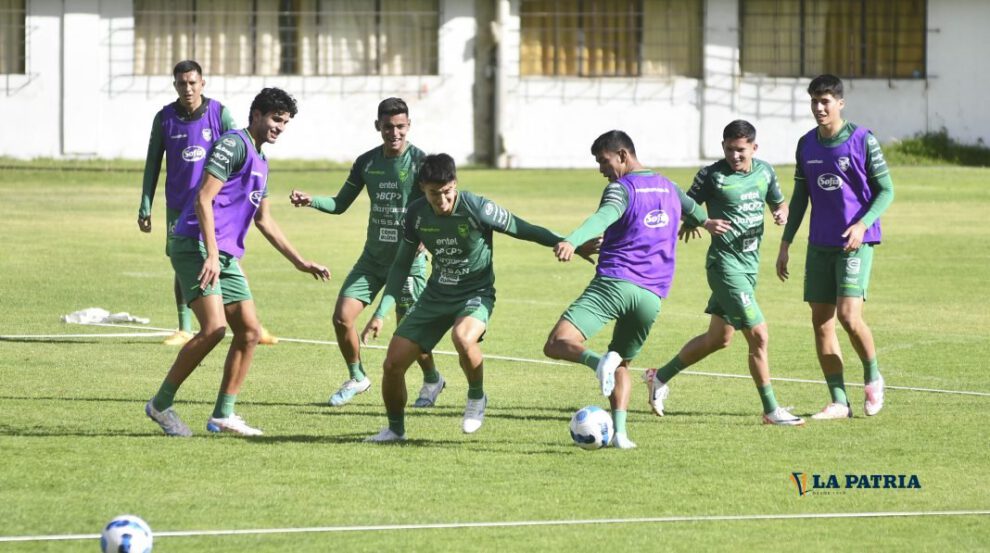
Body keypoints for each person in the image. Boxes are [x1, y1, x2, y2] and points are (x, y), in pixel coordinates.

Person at [145, 87, 331, 437]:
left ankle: (222, 415)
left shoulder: (262, 159)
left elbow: (265, 221)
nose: (280, 127)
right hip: (194, 245)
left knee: (249, 332)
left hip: (224, 255)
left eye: (286, 122)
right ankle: (160, 404)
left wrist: (300, 262)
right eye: (276, 119)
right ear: (257, 115)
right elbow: (203, 199)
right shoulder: (233, 145)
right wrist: (212, 254)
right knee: (214, 328)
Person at [364, 153, 563, 442]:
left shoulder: (477, 207)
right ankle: (395, 430)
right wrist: (381, 312)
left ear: (455, 184)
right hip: (435, 296)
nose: (442, 201)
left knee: (463, 337)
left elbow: (524, 228)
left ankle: (476, 398)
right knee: (392, 365)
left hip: (475, 293)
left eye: (446, 193)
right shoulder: (416, 214)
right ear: (422, 188)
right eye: (434, 194)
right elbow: (400, 265)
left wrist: (566, 241)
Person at [543, 130, 710, 449]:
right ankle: (620, 434)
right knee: (622, 363)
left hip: (614, 284)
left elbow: (603, 217)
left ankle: (595, 362)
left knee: (557, 343)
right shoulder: (669, 186)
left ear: (622, 155)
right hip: (651, 296)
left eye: (603, 161)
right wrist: (699, 223)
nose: (601, 169)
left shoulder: (621, 189)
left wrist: (572, 240)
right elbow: (698, 214)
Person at [642, 120, 804, 426]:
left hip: (749, 266)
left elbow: (778, 202)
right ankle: (771, 410)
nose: (735, 156)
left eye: (741, 150)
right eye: (729, 149)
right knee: (758, 335)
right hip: (724, 266)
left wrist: (780, 211)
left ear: (754, 148)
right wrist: (701, 222)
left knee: (719, 338)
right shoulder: (711, 175)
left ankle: (658, 377)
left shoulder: (765, 172)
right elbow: (686, 204)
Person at [289, 98, 442, 408]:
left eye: (400, 126)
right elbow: (340, 203)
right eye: (388, 127)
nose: (394, 133)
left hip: (409, 261)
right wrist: (311, 200)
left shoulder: (421, 163)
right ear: (378, 127)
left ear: (409, 126)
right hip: (372, 259)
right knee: (342, 318)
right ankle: (358, 376)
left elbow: (438, 205)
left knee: (409, 332)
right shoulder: (367, 163)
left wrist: (427, 237)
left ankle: (432, 379)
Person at [776, 74, 894, 419]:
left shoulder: (862, 140)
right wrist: (785, 244)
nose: (819, 107)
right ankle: (839, 401)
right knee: (821, 322)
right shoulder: (806, 144)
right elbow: (800, 197)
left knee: (848, 316)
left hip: (855, 243)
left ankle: (873, 378)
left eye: (825, 101)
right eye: (814, 101)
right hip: (820, 244)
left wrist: (862, 223)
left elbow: (886, 190)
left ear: (840, 103)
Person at [137, 60, 276, 346]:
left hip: (216, 207)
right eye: (181, 83)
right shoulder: (164, 118)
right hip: (180, 206)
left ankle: (254, 325)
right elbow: (153, 162)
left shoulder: (219, 114)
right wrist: (145, 203)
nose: (187, 88)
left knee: (228, 260)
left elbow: (244, 149)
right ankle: (184, 327)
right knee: (183, 263)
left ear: (202, 83)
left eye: (192, 82)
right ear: (174, 85)